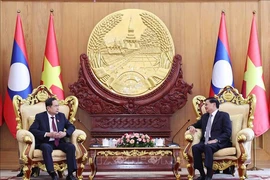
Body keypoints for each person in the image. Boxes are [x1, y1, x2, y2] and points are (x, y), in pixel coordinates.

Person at [29, 97, 77, 180]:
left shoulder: (61, 116)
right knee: (46, 147)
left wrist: (65, 133)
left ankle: (70, 174)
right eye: (55, 106)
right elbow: (32, 130)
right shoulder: (40, 117)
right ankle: (52, 173)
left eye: (58, 106)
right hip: (46, 142)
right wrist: (47, 134)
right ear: (48, 108)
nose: (58, 108)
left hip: (59, 141)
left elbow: (71, 126)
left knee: (71, 147)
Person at [188, 97, 232, 180]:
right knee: (195, 147)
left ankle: (209, 174)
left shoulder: (224, 115)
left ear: (214, 104)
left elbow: (227, 132)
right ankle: (202, 173)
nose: (205, 106)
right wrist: (191, 127)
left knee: (208, 146)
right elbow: (195, 125)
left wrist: (216, 140)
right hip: (206, 141)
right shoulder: (204, 116)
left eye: (206, 104)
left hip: (219, 141)